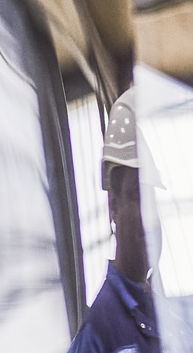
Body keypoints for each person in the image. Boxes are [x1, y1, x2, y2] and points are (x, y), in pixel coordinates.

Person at [70, 90, 160, 353]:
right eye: (136, 196)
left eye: (152, 198)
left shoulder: (166, 319)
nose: (148, 214)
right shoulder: (98, 334)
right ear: (113, 207)